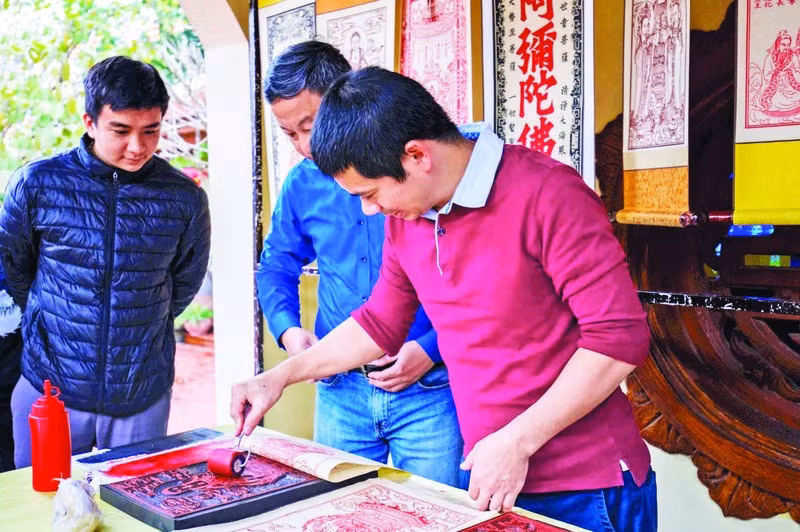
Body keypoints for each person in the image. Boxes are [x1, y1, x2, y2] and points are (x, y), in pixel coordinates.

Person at [232, 67, 657, 531]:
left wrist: (517, 441)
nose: (367, 211)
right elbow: (379, 322)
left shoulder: (547, 192)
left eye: (371, 193)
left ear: (416, 156)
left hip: (584, 484)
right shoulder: (409, 218)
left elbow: (618, 338)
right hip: (489, 476)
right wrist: (280, 377)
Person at [257, 41, 462, 487]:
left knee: (432, 514)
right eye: (289, 134)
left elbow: (476, 289)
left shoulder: (420, 176)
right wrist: (290, 333)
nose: (305, 146)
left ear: (345, 96)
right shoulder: (301, 184)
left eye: (309, 126)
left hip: (429, 389)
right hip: (340, 390)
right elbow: (275, 266)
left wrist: (429, 349)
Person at [0, 56, 210, 468]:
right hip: (49, 387)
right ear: (90, 121)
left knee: (134, 514)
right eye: (121, 130)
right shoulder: (37, 184)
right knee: (41, 514)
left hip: (140, 392)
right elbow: (14, 266)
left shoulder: (183, 197)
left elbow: (184, 282)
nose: (138, 146)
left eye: (151, 131)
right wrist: (54, 317)